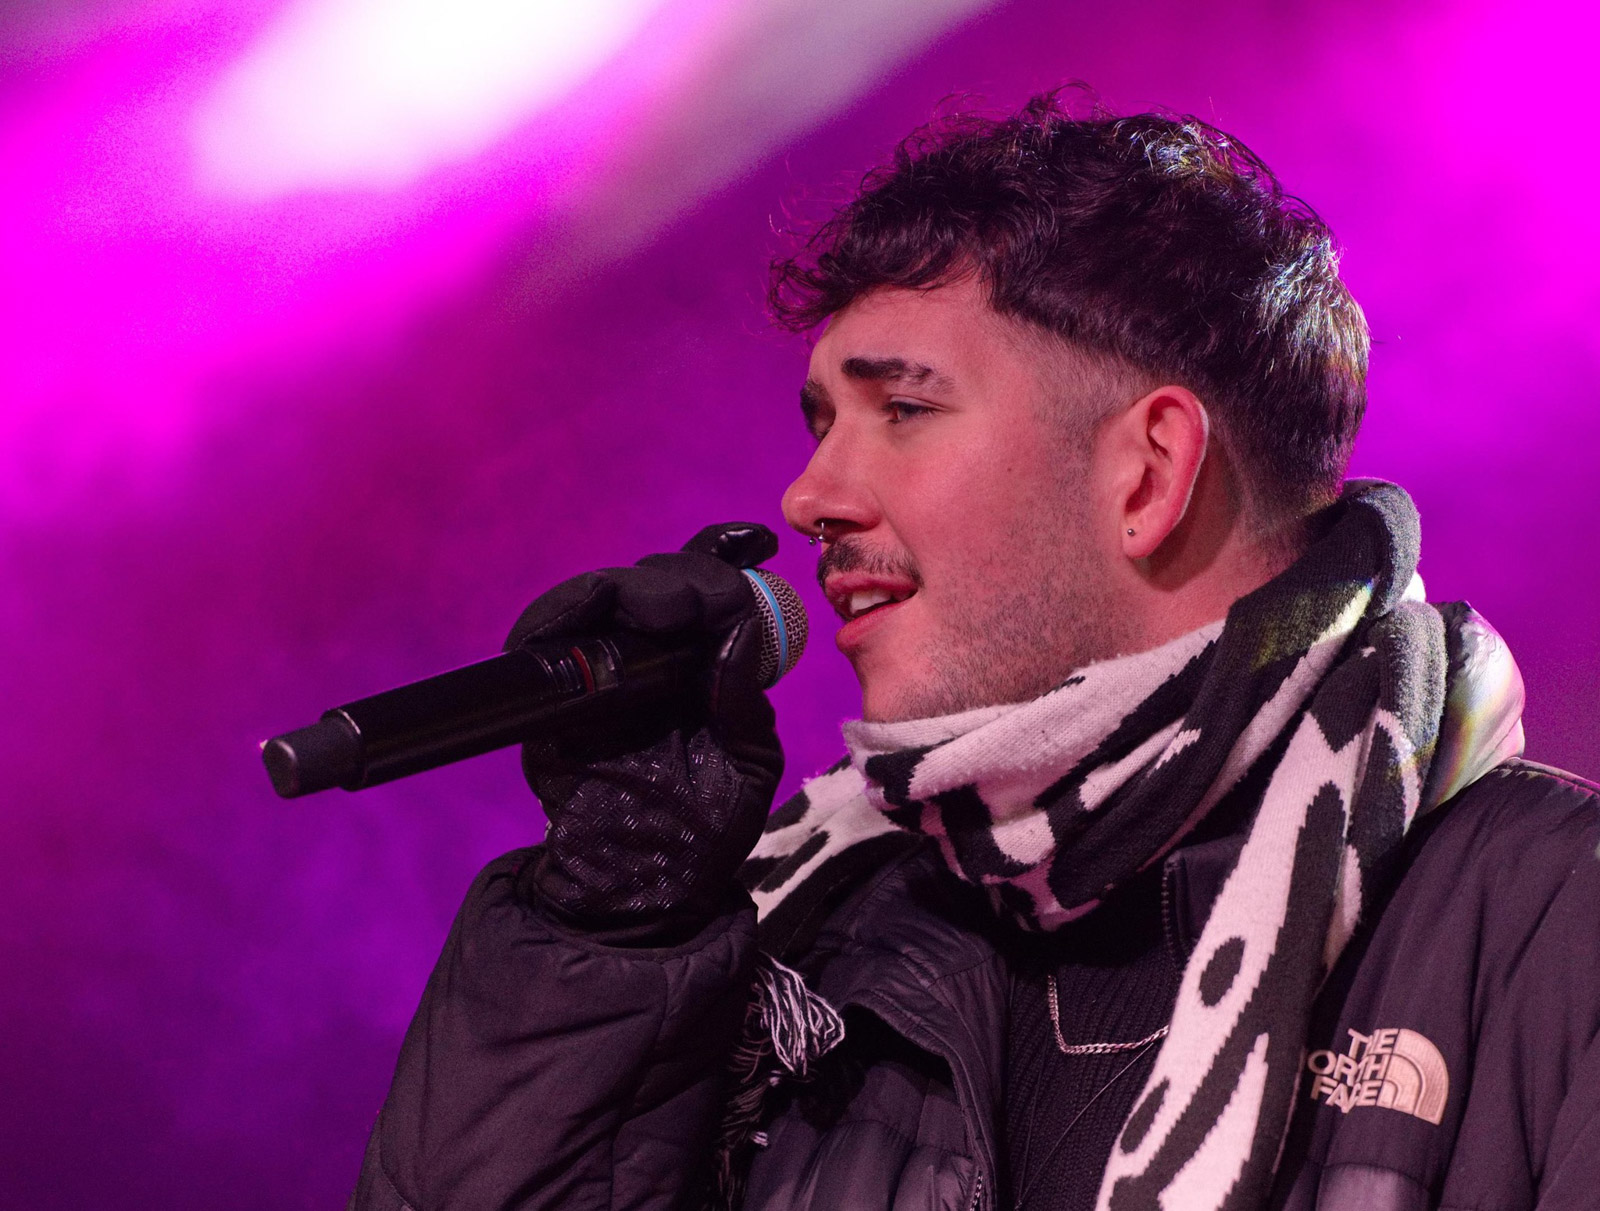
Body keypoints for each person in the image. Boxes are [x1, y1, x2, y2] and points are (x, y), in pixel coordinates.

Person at [351, 94, 1600, 1211]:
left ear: (1147, 473)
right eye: (822, 420)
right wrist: (611, 931)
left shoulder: (1555, 919)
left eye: (903, 408)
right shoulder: (825, 927)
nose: (808, 496)